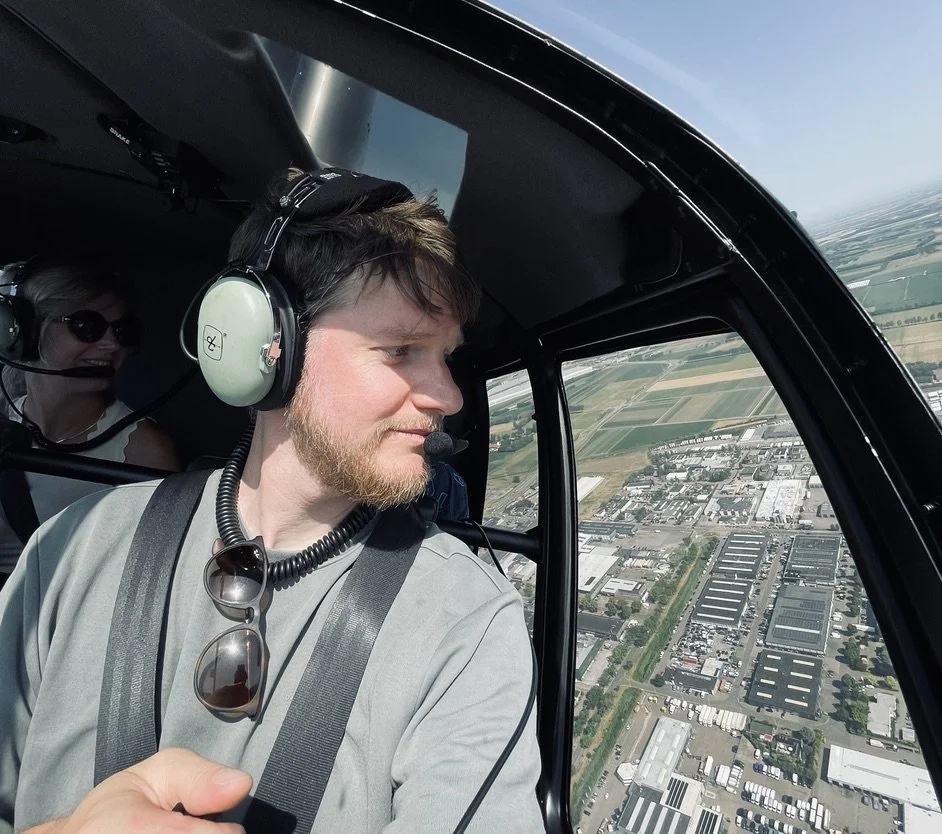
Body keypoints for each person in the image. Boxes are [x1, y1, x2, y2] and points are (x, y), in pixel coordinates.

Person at [0, 169, 543, 833]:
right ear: (265, 348)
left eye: (445, 356)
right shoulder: (75, 549)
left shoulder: (469, 623)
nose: (450, 397)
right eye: (402, 351)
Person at [0, 256, 181, 574]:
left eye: (123, 331)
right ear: (29, 331)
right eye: (87, 327)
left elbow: (151, 573)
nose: (111, 344)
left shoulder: (142, 451)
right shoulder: (5, 424)